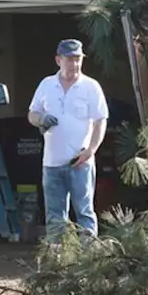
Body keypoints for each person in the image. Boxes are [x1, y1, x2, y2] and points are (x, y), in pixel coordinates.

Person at [27, 39, 109, 240]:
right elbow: (32, 114)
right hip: (52, 163)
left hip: (80, 162)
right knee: (55, 217)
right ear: (58, 60)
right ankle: (58, 262)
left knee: (85, 213)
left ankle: (88, 261)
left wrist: (90, 151)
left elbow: (101, 121)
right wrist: (41, 119)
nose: (74, 64)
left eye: (78, 59)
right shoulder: (47, 85)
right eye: (69, 59)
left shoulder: (91, 86)